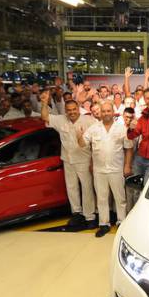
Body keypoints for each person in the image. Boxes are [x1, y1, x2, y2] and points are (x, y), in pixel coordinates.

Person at [39, 90, 97, 228]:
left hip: (84, 160)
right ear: (65, 111)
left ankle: (90, 216)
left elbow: (96, 142)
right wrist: (44, 102)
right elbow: (45, 117)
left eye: (74, 109)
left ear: (78, 109)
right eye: (69, 110)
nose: (72, 112)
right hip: (68, 159)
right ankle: (77, 213)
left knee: (87, 188)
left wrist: (93, 162)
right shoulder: (60, 120)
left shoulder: (89, 121)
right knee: (71, 188)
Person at [77, 101, 134, 238]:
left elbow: (129, 148)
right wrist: (79, 135)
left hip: (116, 169)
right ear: (100, 113)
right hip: (99, 170)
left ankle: (121, 222)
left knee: (120, 198)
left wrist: (127, 166)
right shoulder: (94, 128)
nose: (106, 113)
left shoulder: (121, 128)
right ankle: (104, 224)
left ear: (113, 112)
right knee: (102, 199)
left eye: (108, 111)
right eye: (104, 111)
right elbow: (82, 144)